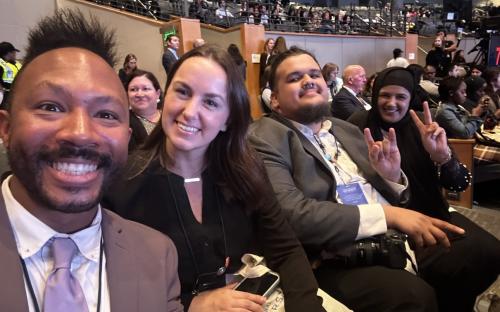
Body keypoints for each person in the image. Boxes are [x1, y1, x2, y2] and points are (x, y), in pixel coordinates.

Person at [103, 45, 326, 312]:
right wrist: (191, 304)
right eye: (183, 92)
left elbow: (286, 249)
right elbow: (113, 287)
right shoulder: (122, 184)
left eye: (210, 102)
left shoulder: (246, 168)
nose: (189, 111)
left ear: (227, 119)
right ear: (165, 96)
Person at [248, 46, 464, 312]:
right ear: (275, 100)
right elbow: (290, 214)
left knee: (478, 254)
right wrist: (388, 215)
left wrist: (392, 177)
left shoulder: (347, 128)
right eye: (294, 78)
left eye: (314, 74)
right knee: (413, 298)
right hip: (336, 250)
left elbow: (397, 196)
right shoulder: (264, 135)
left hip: (393, 237)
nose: (308, 81)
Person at [0, 9, 182, 311]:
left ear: (126, 137)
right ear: (6, 128)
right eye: (51, 107)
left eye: (106, 114)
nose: (81, 134)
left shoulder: (157, 256)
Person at [347, 67, 500, 311]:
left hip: (432, 213)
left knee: (489, 252)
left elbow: (459, 184)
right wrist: (389, 179)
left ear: (410, 99)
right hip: (386, 225)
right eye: (385, 95)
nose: (391, 103)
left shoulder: (424, 126)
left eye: (401, 97)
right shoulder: (356, 126)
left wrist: (443, 157)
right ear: (375, 95)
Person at [126, 69, 163, 151]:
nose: (139, 94)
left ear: (157, 94)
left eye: (145, 89)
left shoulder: (169, 117)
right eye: (133, 89)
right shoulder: (125, 123)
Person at [0, 42, 22, 109]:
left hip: (16, 93)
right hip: (4, 94)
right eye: (14, 52)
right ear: (9, 53)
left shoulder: (17, 63)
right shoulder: (1, 64)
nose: (15, 55)